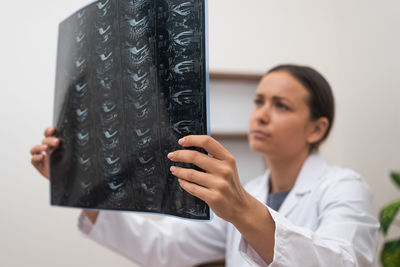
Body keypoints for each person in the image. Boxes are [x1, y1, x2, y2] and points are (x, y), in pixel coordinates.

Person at [30, 64, 379, 267]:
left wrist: (243, 210)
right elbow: (165, 246)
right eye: (258, 100)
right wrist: (82, 181)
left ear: (317, 128)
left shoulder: (344, 187)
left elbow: (345, 262)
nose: (261, 113)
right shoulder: (253, 192)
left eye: (281, 105)